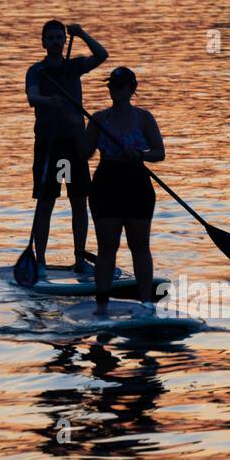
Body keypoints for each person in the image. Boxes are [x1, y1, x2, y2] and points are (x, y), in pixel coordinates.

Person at [25, 20, 108, 277]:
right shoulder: (37, 71)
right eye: (50, 38)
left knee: (78, 201)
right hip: (49, 144)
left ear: (63, 41)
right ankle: (39, 261)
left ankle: (80, 258)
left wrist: (81, 33)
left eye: (59, 38)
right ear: (43, 42)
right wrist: (50, 101)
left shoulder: (73, 67)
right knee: (46, 202)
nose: (55, 42)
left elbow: (102, 55)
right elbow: (31, 97)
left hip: (74, 146)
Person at [84, 67, 165, 310]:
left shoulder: (144, 118)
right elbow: (84, 153)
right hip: (106, 184)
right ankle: (102, 305)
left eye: (119, 86)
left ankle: (146, 304)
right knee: (107, 248)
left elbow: (159, 153)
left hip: (136, 183)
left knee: (139, 246)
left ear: (132, 88)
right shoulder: (98, 119)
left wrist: (140, 154)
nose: (114, 90)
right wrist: (76, 126)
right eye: (111, 86)